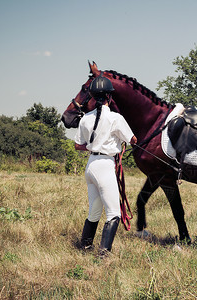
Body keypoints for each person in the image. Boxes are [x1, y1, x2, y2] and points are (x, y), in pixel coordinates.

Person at [74, 73, 137, 257]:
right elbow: (132, 140)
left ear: (93, 97)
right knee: (114, 214)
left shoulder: (85, 118)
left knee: (94, 210)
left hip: (91, 165)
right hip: (105, 165)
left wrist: (96, 145)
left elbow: (78, 145)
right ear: (109, 96)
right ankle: (104, 254)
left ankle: (85, 247)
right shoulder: (116, 118)